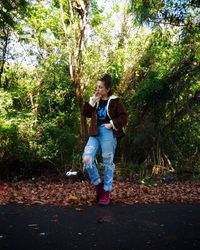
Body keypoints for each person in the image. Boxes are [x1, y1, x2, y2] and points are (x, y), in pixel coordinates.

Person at [82, 74, 128, 205]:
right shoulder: (95, 100)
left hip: (108, 133)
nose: (98, 89)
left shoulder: (115, 101)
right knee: (87, 158)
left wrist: (112, 123)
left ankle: (106, 191)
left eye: (101, 87)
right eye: (97, 87)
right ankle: (98, 186)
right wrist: (92, 101)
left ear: (107, 89)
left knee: (107, 162)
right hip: (95, 133)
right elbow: (85, 114)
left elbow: (124, 117)